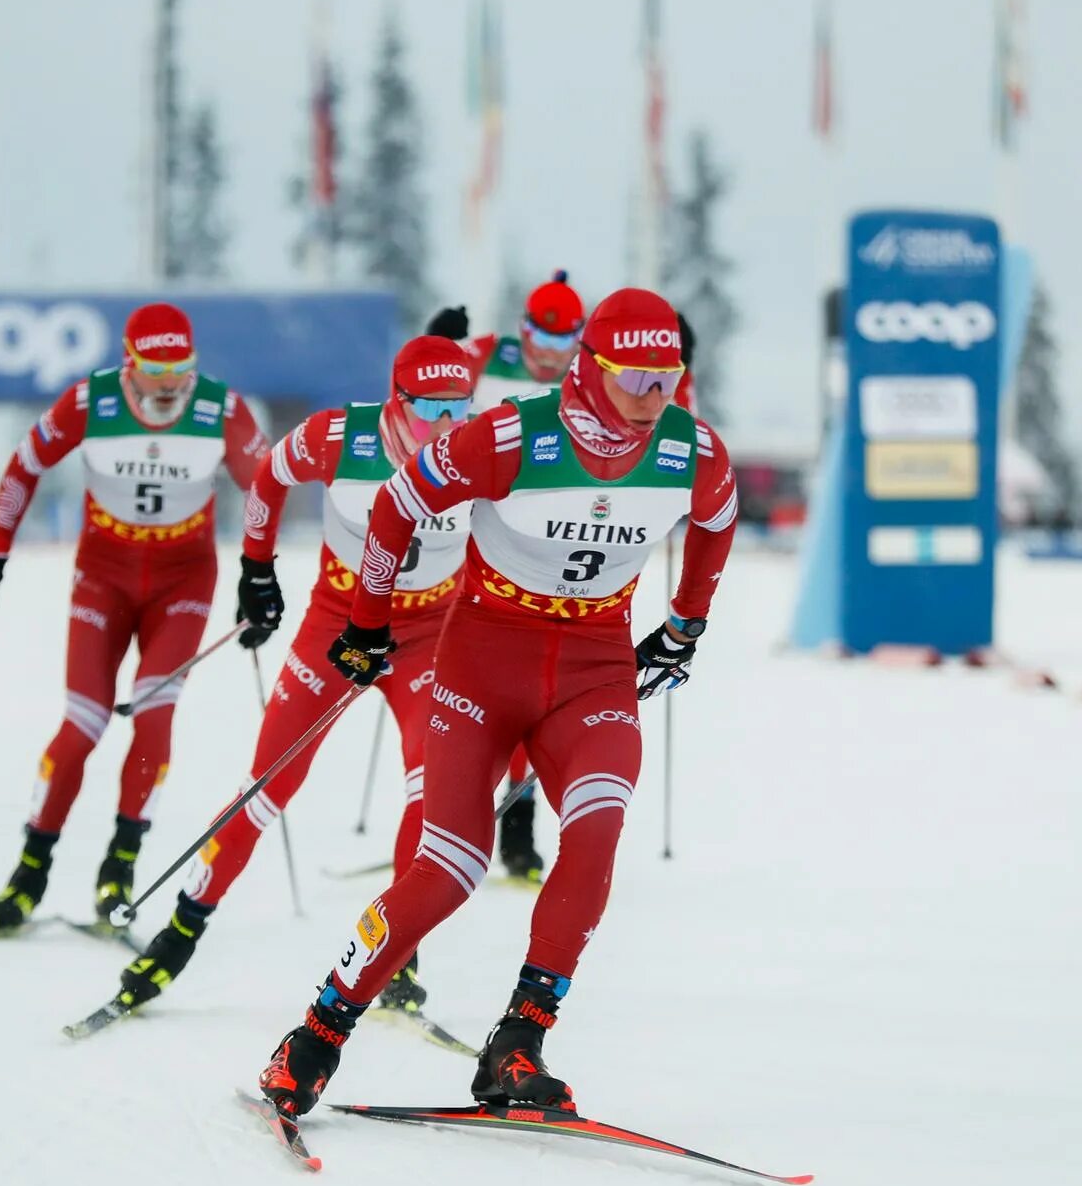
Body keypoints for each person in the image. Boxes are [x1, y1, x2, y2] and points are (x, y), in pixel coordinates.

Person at [254, 288, 739, 1122]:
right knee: (451, 864)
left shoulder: (690, 449)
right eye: (635, 379)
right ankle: (317, 1033)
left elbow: (719, 518)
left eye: (668, 379)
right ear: (591, 368)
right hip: (482, 662)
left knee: (596, 825)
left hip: (593, 670)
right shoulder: (516, 435)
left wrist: (685, 626)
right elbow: (397, 502)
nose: (651, 399)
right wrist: (368, 623)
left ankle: (519, 1042)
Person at [107, 335, 477, 1015]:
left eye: (463, 408)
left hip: (431, 633)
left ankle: (397, 953)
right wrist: (257, 570)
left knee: (432, 789)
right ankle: (181, 932)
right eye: (434, 411)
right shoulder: (340, 437)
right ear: (398, 404)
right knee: (268, 785)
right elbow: (269, 478)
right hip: (339, 624)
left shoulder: (478, 445)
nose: (449, 428)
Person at [0, 302, 268, 933]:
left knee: (153, 713)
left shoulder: (221, 409)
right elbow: (23, 468)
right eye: (156, 369)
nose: (169, 384)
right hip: (103, 576)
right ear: (130, 364)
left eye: (180, 368)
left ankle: (119, 867)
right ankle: (29, 871)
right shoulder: (89, 402)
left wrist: (256, 572)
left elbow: (266, 485)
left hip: (183, 579)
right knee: (83, 723)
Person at [423, 270, 587, 881]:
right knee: (458, 678)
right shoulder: (485, 355)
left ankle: (518, 821)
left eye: (563, 341)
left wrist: (684, 366)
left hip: (538, 544)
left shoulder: (589, 374)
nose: (549, 356)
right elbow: (417, 395)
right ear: (523, 332)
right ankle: (442, 810)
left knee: (527, 681)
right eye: (540, 341)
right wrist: (436, 343)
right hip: (465, 532)